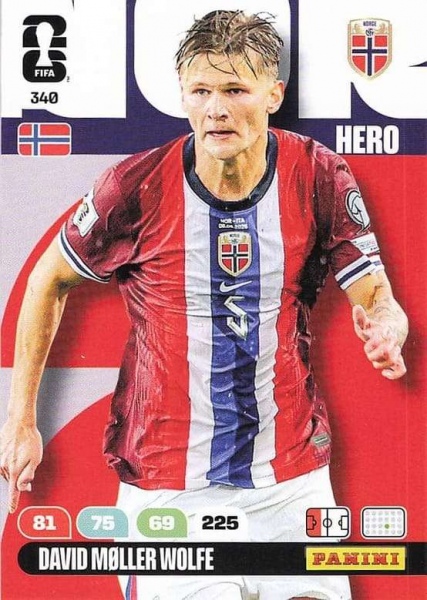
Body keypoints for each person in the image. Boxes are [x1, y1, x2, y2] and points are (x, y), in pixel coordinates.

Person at [0, 10, 408, 600]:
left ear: (274, 95)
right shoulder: (135, 187)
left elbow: (375, 294)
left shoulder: (319, 175)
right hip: (170, 489)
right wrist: (20, 421)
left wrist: (387, 326)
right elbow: (48, 280)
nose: (216, 109)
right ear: (183, 95)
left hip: (290, 484)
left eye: (235, 90)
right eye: (201, 91)